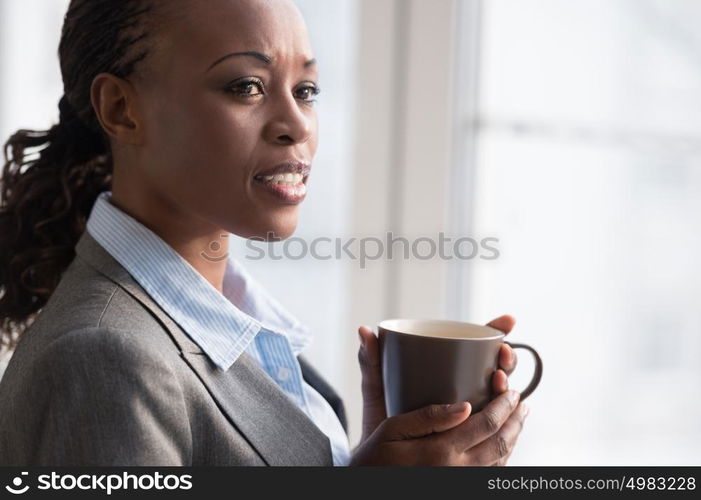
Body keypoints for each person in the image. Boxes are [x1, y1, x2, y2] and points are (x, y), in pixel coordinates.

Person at [0, 0, 527, 466]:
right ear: (122, 109)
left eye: (306, 90)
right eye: (246, 86)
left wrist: (387, 455)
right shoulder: (102, 359)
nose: (296, 124)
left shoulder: (239, 324)